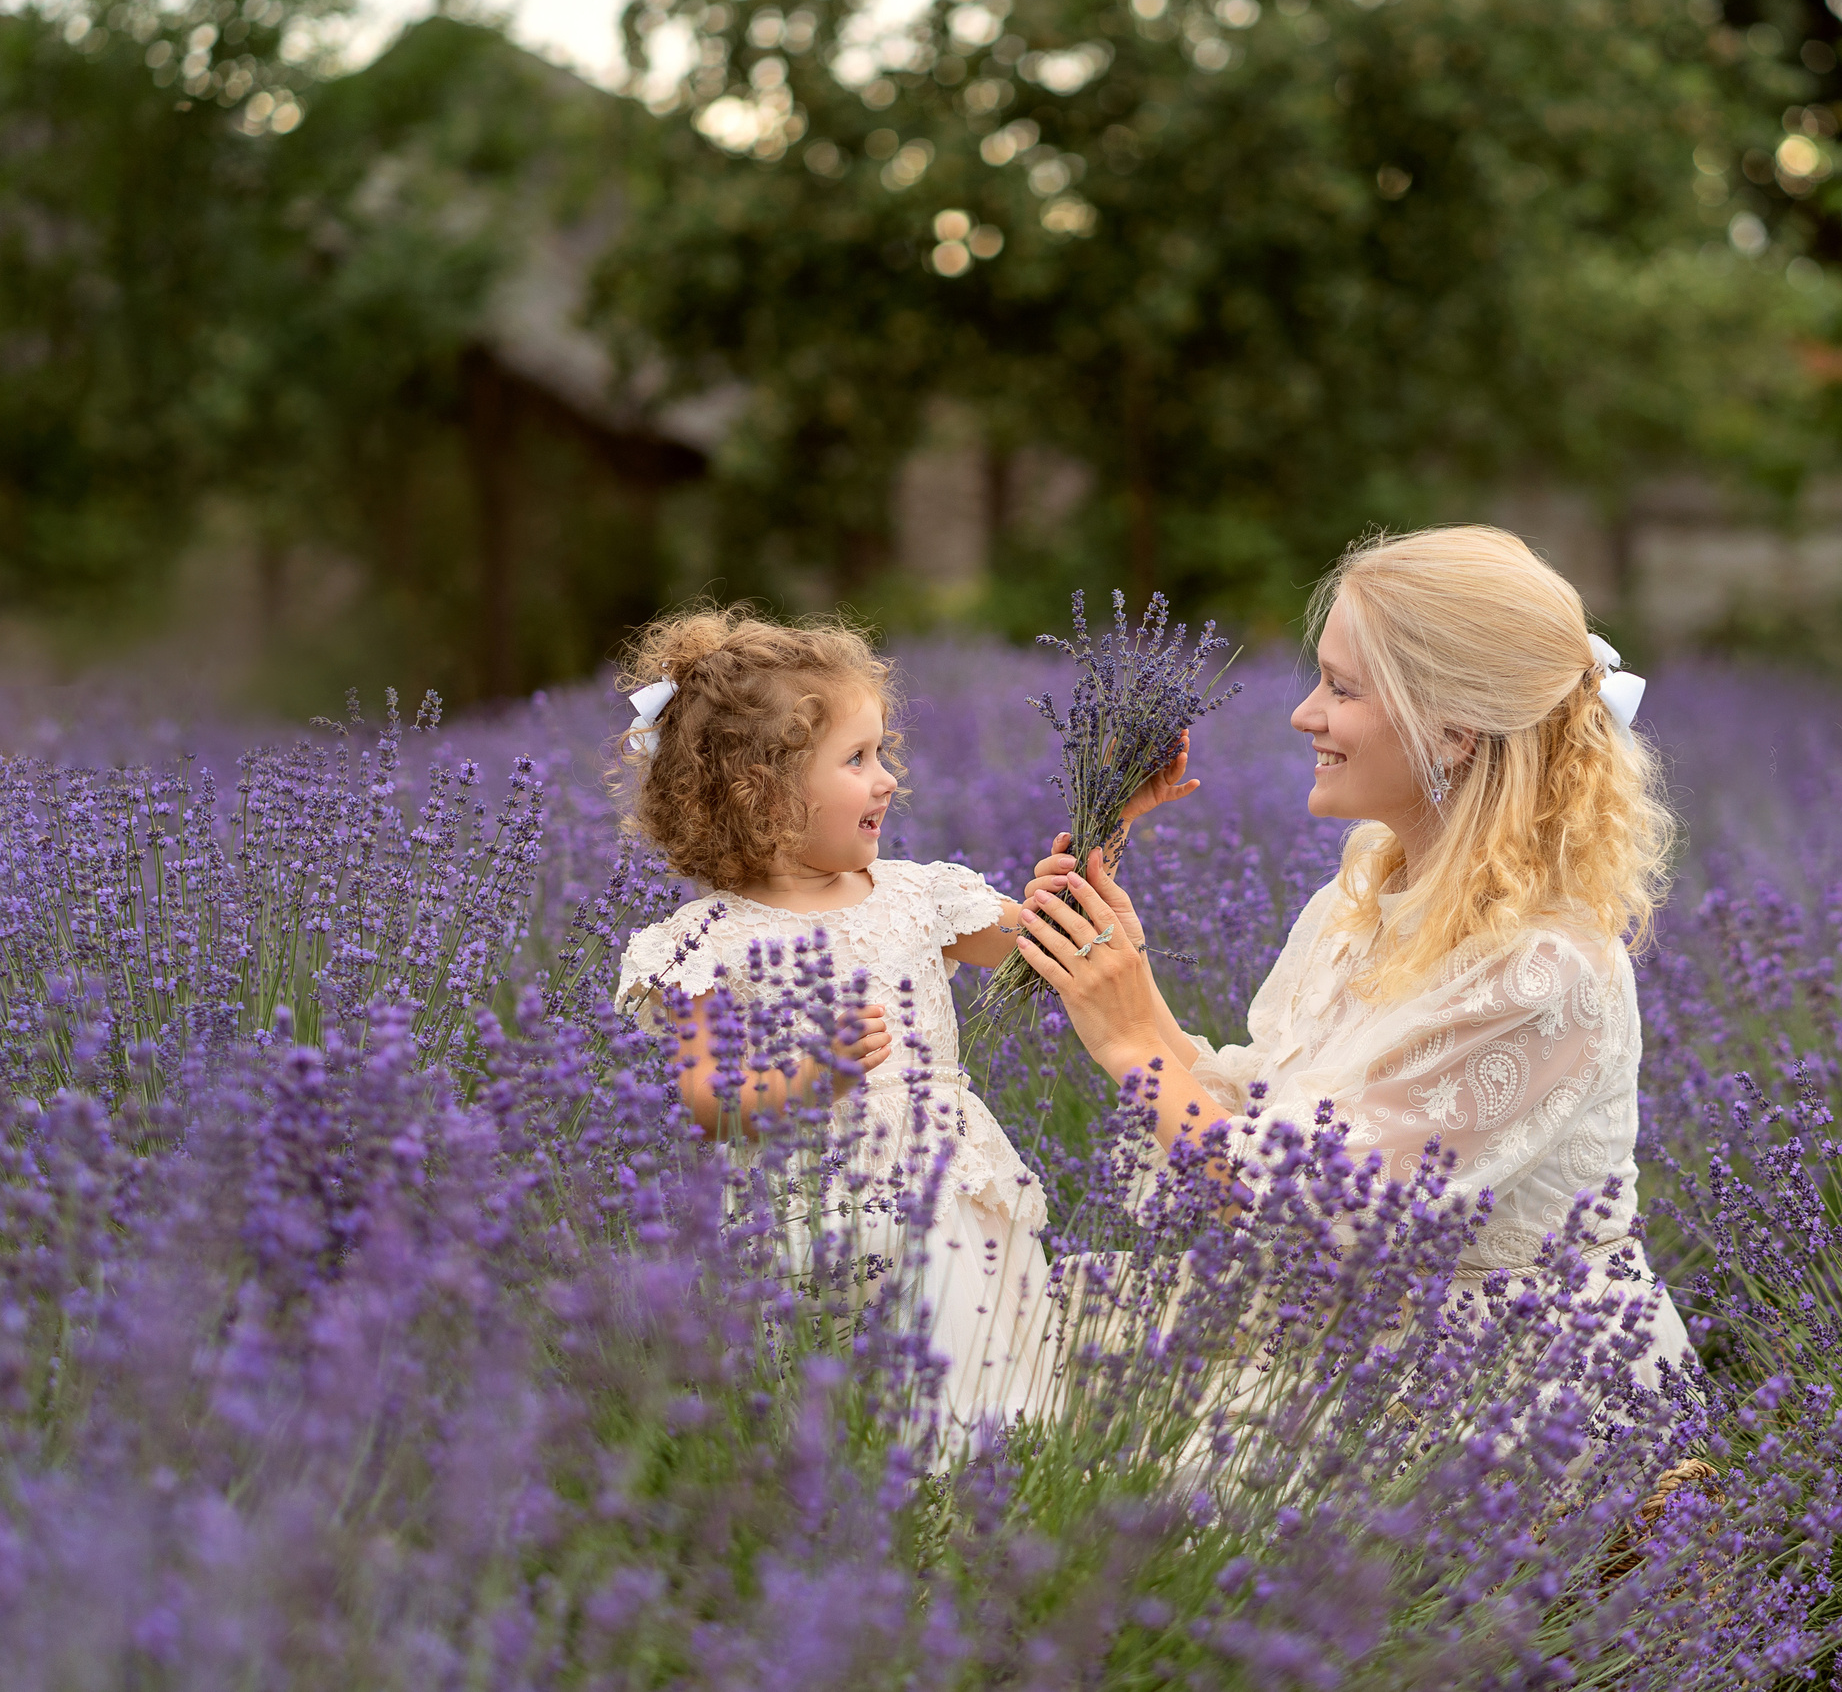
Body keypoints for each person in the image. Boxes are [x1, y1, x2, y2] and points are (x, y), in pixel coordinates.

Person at [1009, 526, 1696, 1389]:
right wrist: (1127, 988)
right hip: (1348, 1327)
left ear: (1450, 730)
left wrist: (1132, 1050)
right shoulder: (1364, 894)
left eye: (1341, 687)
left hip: (1486, 1386)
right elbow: (1267, 1128)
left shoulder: (1544, 970)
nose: (1305, 713)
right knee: (991, 1325)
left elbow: (1305, 1220)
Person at [610, 604, 1192, 1441]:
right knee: (834, 1417)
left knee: (980, 1392)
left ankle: (985, 1505)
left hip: (947, 1193)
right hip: (810, 1218)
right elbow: (706, 1099)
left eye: (881, 751)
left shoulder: (918, 895)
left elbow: (1038, 944)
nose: (888, 778)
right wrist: (812, 1077)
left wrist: (1111, 826)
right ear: (761, 791)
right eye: (856, 758)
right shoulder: (704, 942)